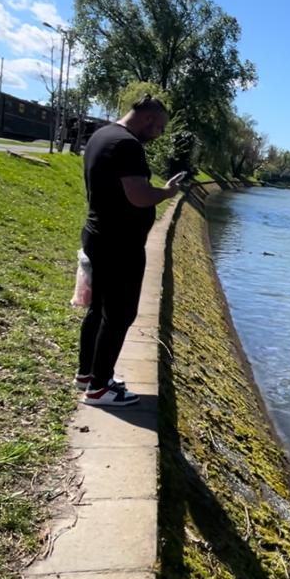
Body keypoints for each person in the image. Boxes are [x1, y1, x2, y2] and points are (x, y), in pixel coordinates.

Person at [76, 93, 185, 407]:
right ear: (149, 119)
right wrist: (166, 192)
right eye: (160, 127)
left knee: (99, 309)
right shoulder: (128, 145)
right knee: (120, 314)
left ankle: (87, 374)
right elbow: (138, 196)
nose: (159, 134)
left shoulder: (101, 135)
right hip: (119, 245)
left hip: (98, 236)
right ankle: (99, 389)